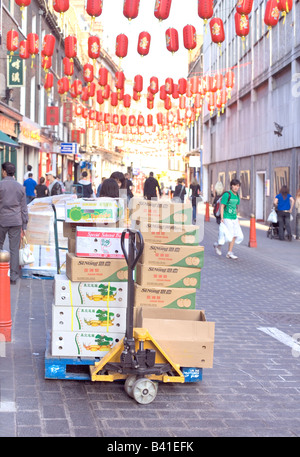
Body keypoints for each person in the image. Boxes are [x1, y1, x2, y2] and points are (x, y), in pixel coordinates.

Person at [0, 162, 28, 284]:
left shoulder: (0, 185)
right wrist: (25, 225)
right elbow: (24, 208)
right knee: (14, 249)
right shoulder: (20, 187)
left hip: (2, 220)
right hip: (16, 221)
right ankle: (13, 276)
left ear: (5, 172)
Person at [213, 178, 244, 259]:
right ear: (231, 186)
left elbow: (235, 207)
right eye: (234, 185)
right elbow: (222, 206)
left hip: (234, 218)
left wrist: (237, 218)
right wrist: (222, 218)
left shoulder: (237, 195)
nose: (236, 187)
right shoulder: (227, 194)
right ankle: (218, 245)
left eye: (237, 186)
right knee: (230, 235)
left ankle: (229, 252)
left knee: (235, 235)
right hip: (227, 217)